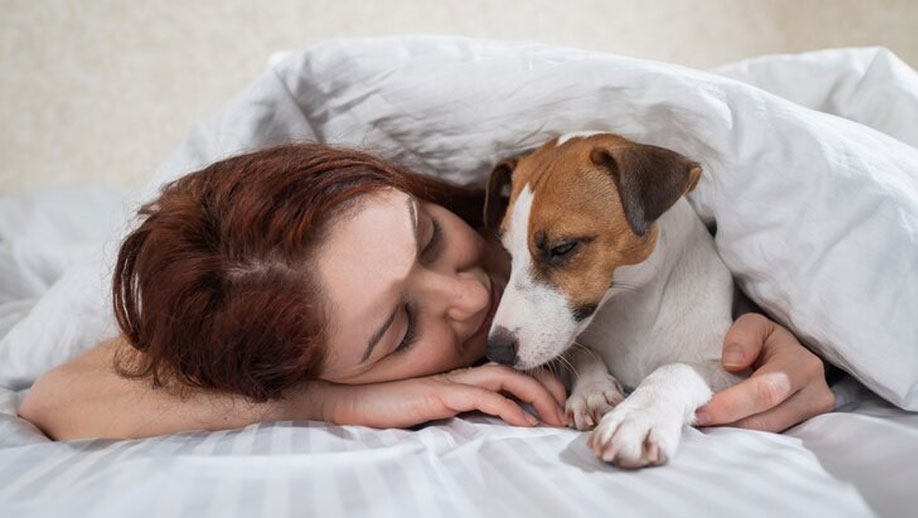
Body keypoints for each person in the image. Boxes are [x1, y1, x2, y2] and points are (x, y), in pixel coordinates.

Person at [18, 143, 836, 440]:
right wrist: (331, 404)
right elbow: (57, 397)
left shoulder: (522, 184)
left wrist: (790, 330)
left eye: (429, 237)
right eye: (400, 330)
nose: (473, 297)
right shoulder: (261, 310)